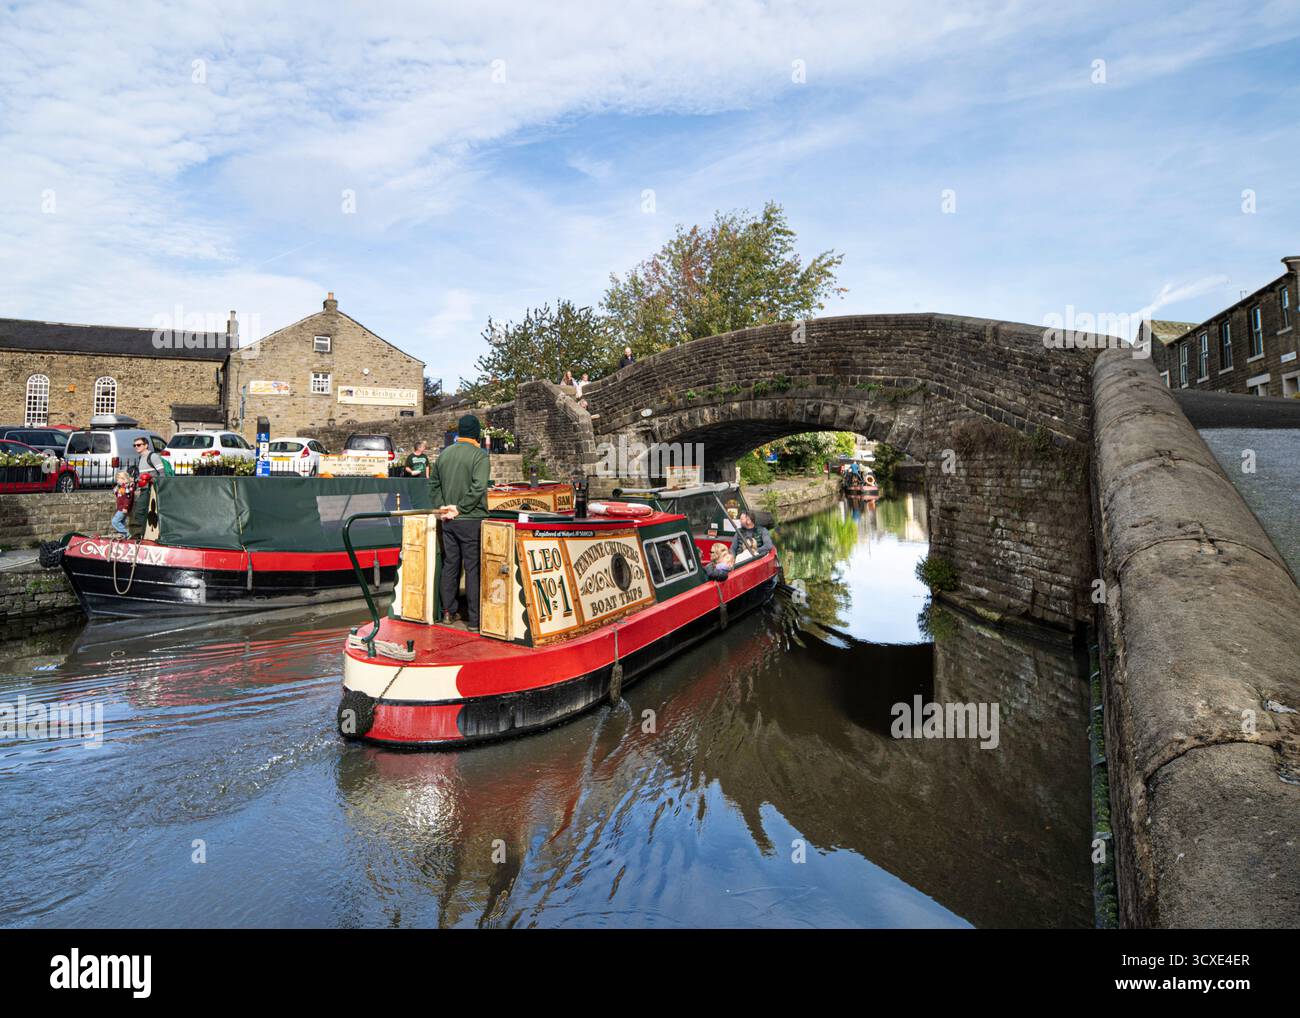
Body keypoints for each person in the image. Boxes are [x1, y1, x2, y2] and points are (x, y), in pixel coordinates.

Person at [429, 414, 491, 632]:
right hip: (471, 519)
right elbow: (479, 487)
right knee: (472, 569)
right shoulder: (479, 456)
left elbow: (433, 483)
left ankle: (447, 612)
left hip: (448, 520)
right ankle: (474, 621)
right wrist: (461, 508)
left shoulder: (443, 455)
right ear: (477, 434)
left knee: (450, 565)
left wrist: (444, 506)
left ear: (459, 433)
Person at [110, 471, 134, 539]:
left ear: (123, 479)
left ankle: (126, 534)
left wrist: (125, 507)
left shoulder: (127, 487)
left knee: (115, 521)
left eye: (118, 479)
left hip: (123, 508)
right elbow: (120, 495)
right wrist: (116, 491)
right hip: (121, 507)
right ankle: (123, 536)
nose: (117, 481)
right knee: (121, 522)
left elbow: (128, 498)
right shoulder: (122, 487)